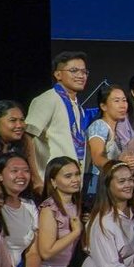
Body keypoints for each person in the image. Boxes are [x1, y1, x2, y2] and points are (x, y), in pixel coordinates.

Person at [35, 157, 108, 267]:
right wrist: (75, 233)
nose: (75, 179)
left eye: (76, 174)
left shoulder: (75, 205)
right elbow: (46, 251)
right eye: (68, 176)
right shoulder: (48, 209)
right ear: (53, 181)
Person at [25, 51, 89, 184]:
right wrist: (35, 178)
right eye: (74, 70)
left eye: (84, 72)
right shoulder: (47, 99)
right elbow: (26, 137)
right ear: (58, 74)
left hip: (73, 183)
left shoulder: (78, 107)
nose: (81, 75)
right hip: (50, 182)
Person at [84, 84, 134, 203]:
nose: (123, 105)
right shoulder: (100, 126)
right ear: (103, 106)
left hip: (109, 187)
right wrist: (120, 164)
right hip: (96, 188)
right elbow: (97, 158)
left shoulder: (116, 132)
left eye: (124, 100)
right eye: (116, 101)